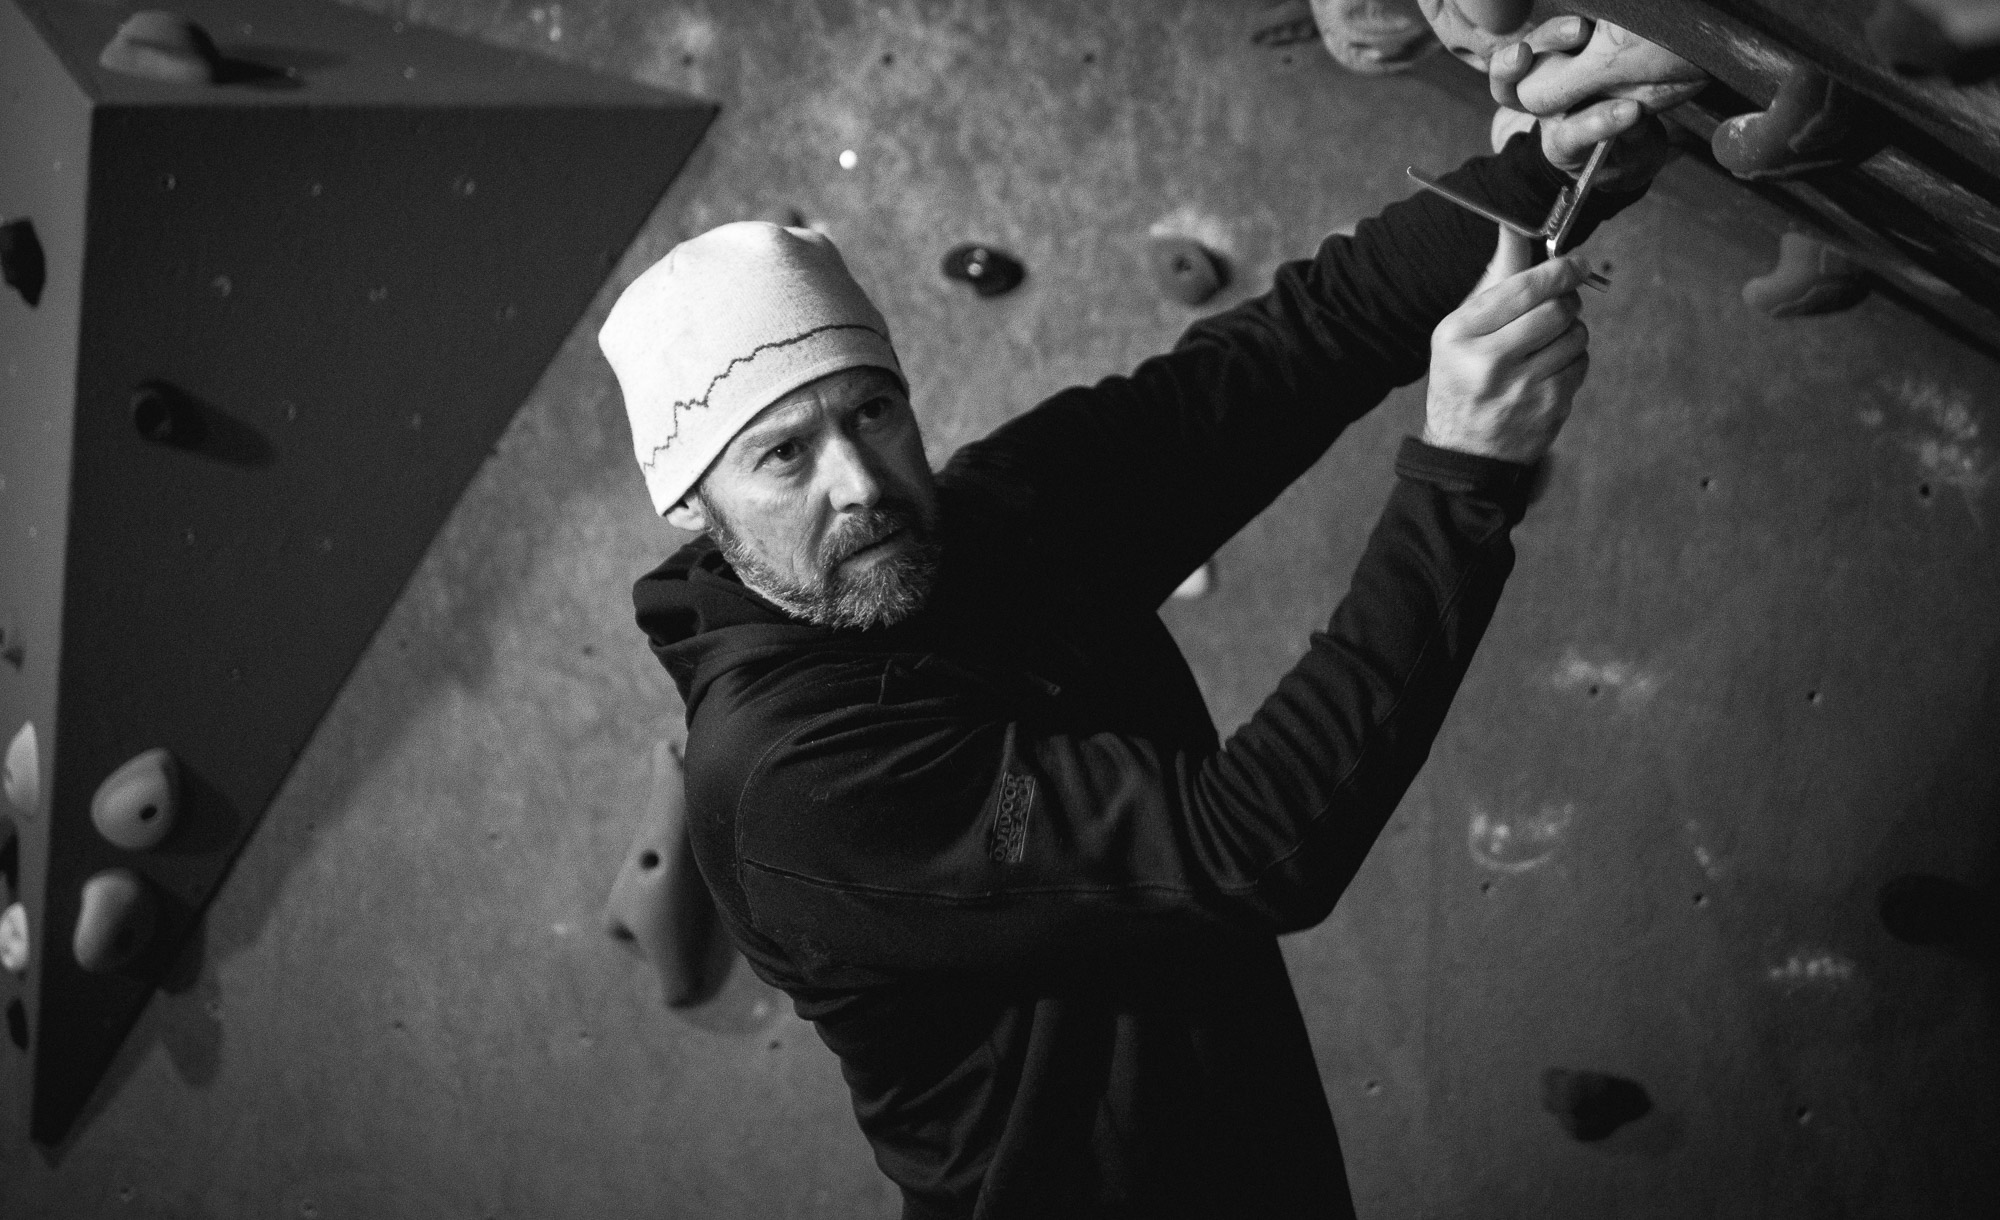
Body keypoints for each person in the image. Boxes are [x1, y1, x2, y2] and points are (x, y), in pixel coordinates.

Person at [600, 46, 1664, 1218]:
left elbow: (1292, 348)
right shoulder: (791, 780)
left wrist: (1540, 177)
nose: (858, 482)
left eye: (871, 411)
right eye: (783, 454)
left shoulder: (972, 526)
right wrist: (1463, 474)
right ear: (692, 504)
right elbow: (1244, 846)